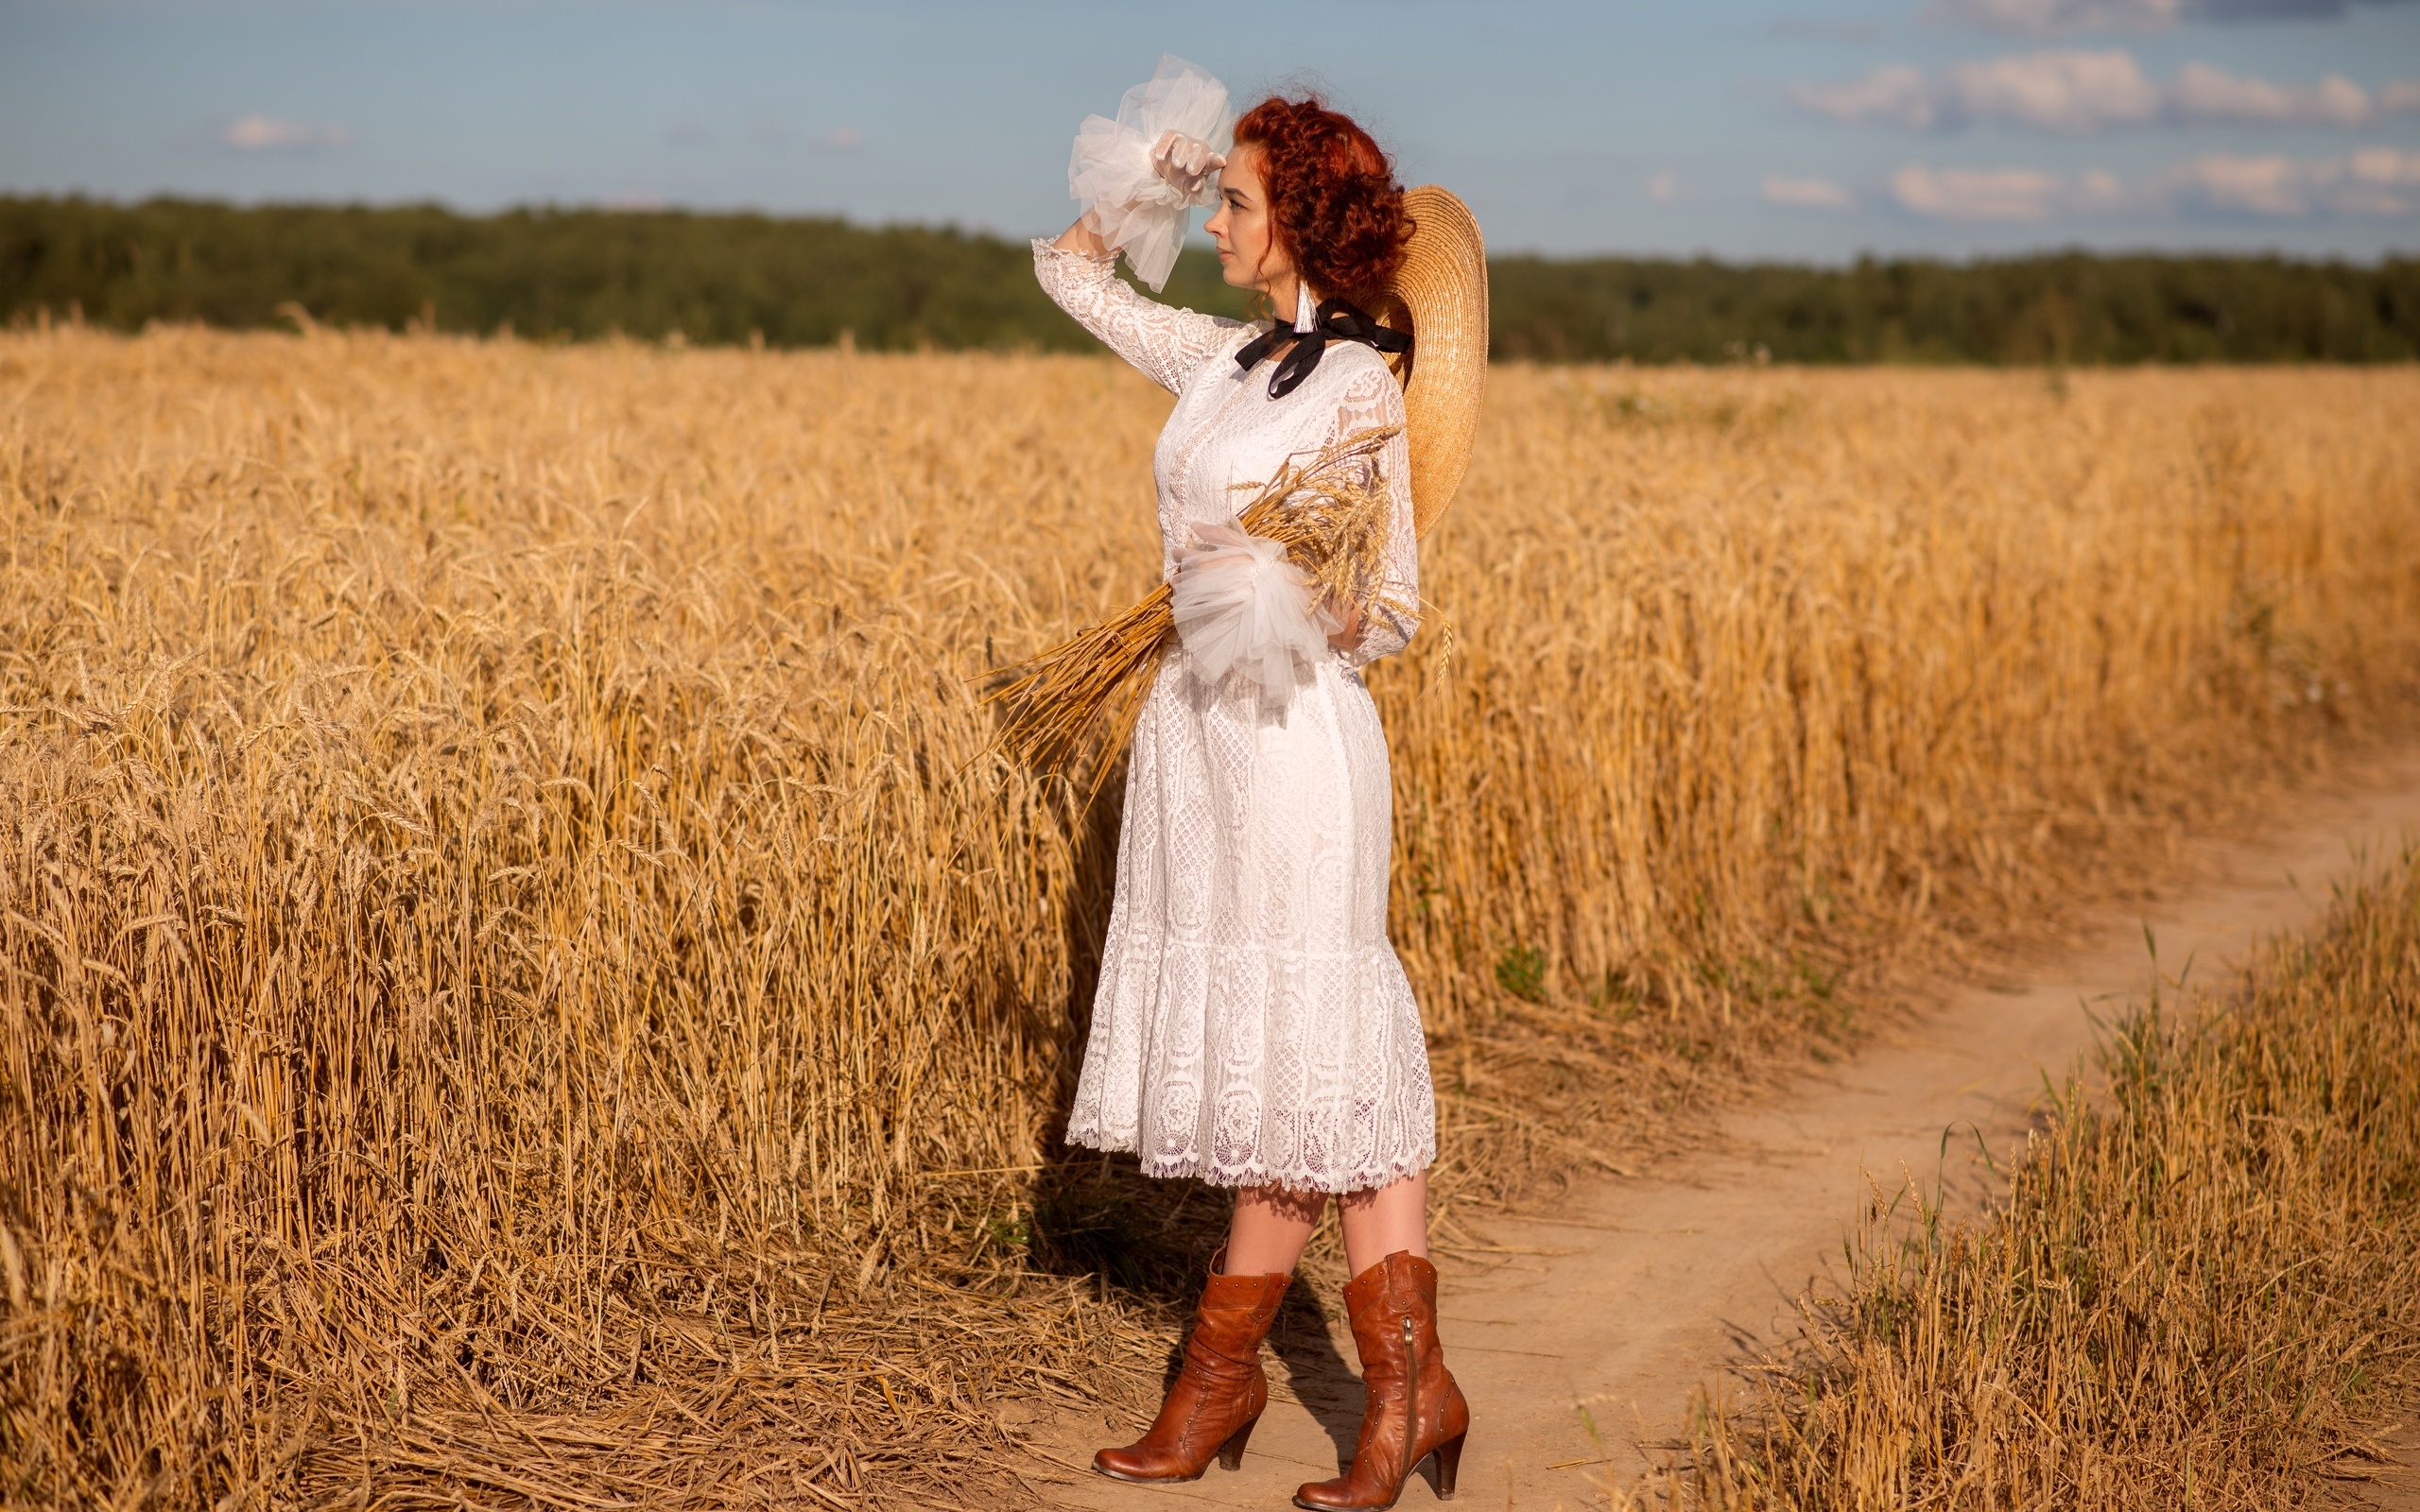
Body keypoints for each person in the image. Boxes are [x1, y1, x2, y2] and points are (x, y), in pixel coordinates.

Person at [1034, 89, 1469, 1509]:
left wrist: (1290, 602)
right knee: (1278, 1061)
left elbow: (1393, 606)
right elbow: (1066, 271)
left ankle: (1346, 1395)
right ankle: (1271, 1390)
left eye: (1233, 202)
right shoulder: (1223, 358)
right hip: (1194, 745)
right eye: (1214, 199)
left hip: (1294, 748)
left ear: (1300, 225)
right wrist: (1151, 185)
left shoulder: (1357, 388)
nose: (1217, 222)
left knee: (1315, 1032)